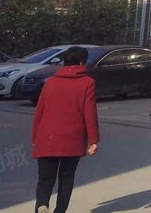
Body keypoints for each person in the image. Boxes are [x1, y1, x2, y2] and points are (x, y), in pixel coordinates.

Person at [31, 46, 99, 213]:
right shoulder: (87, 83)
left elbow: (40, 111)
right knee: (66, 177)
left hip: (47, 136)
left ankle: (42, 205)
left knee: (45, 178)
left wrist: (35, 137)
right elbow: (89, 113)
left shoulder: (50, 82)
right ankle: (60, 210)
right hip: (72, 138)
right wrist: (93, 140)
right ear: (82, 62)